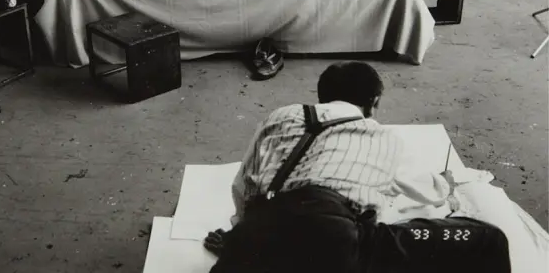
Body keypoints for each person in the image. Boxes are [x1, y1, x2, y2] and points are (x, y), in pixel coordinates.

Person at [203, 61, 511, 273]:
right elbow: (430, 191)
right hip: (334, 244)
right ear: (373, 102)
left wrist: (241, 238)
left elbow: (243, 186)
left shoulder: (280, 116)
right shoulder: (382, 137)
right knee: (490, 240)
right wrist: (445, 182)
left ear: (323, 96)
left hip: (256, 237)